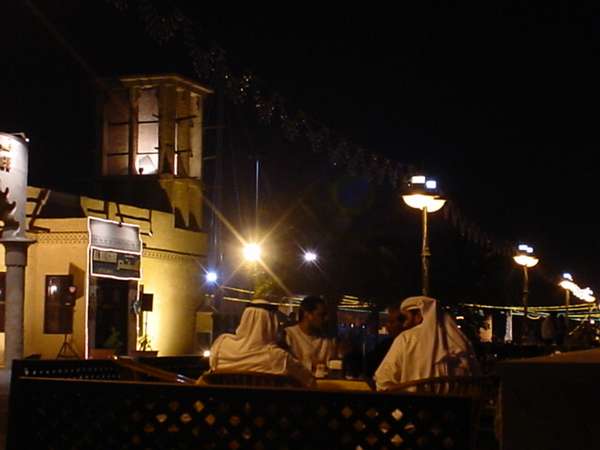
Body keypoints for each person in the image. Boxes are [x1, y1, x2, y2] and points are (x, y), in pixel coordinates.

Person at [374, 296, 479, 391]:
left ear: (419, 315)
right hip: (458, 409)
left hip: (412, 407)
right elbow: (475, 381)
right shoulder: (462, 342)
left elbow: (383, 381)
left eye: (405, 318)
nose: (404, 324)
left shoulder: (406, 339)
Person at [208, 299, 315, 387]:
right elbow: (310, 381)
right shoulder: (279, 357)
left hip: (225, 411)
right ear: (271, 323)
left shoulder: (221, 347)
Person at [284, 295, 338, 372]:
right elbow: (285, 365)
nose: (325, 319)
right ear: (307, 314)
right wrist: (310, 365)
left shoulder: (326, 339)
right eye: (320, 315)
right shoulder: (288, 335)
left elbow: (330, 366)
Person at [364, 301, 406, 377]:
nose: (387, 326)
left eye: (391, 322)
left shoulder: (389, 345)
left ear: (404, 323)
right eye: (387, 321)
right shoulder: (384, 345)